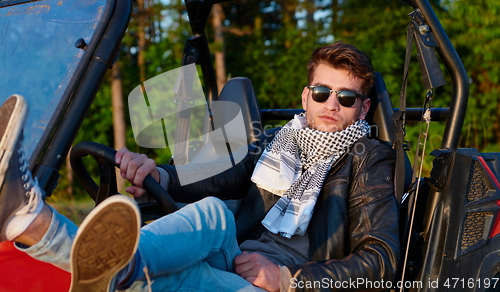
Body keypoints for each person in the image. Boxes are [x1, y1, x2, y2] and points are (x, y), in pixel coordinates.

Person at [0, 42, 400, 292]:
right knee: (210, 211)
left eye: (347, 97)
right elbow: (224, 172)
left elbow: (381, 260)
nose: (332, 104)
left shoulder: (368, 157)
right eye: (323, 91)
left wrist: (288, 281)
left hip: (283, 280)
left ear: (364, 107)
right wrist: (160, 174)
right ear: (306, 95)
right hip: (235, 252)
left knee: (157, 280)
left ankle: (37, 223)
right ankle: (67, 239)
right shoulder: (281, 137)